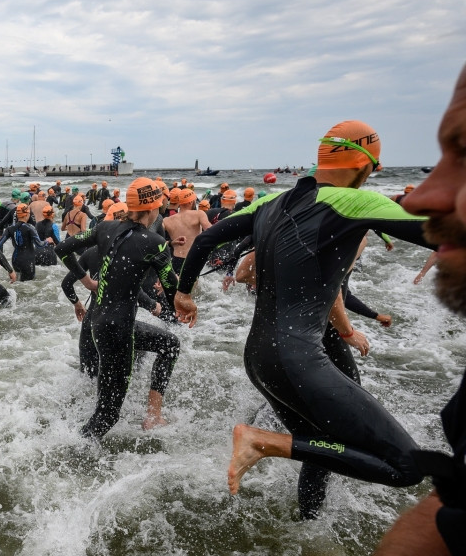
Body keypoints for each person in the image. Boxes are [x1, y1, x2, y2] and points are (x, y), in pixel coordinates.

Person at [253, 61, 466, 556]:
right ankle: (290, 483)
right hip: (302, 342)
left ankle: (304, 512)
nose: (424, 197)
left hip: (284, 343)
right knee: (370, 449)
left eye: (464, 157)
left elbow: (324, 281)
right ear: (366, 167)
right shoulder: (345, 205)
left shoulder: (300, 208)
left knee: (328, 433)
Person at [175, 119, 436, 518]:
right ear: (365, 165)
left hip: (260, 359)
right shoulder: (357, 202)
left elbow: (209, 240)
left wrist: (184, 293)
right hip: (298, 359)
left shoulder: (271, 202)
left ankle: (306, 525)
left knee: (322, 447)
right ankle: (262, 442)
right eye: (375, 170)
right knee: (407, 466)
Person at [55, 178, 180, 438]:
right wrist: (185, 302)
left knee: (169, 344)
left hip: (99, 321)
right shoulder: (154, 242)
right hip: (118, 329)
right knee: (109, 414)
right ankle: (74, 453)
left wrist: (86, 280)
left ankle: (153, 415)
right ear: (153, 209)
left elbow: (63, 248)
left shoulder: (104, 228)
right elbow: (170, 287)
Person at [162, 188, 211, 275]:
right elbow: (211, 231)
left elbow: (157, 241)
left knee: (177, 286)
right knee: (192, 287)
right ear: (190, 202)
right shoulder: (199, 214)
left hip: (175, 260)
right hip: (193, 259)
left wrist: (170, 243)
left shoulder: (167, 220)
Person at [0, 204, 45, 281]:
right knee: (29, 286)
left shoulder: (10, 228)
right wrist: (47, 241)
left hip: (15, 260)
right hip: (27, 261)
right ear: (27, 214)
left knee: (17, 284)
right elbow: (39, 245)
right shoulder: (30, 227)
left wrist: (0, 260)